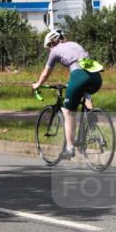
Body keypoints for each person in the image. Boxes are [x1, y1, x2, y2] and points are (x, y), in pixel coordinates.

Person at [31, 29, 103, 159]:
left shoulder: (54, 51)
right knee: (84, 91)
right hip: (96, 76)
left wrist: (37, 84)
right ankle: (91, 116)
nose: (48, 49)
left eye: (48, 46)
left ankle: (69, 148)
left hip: (79, 75)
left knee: (67, 111)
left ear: (51, 43)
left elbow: (46, 73)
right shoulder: (74, 44)